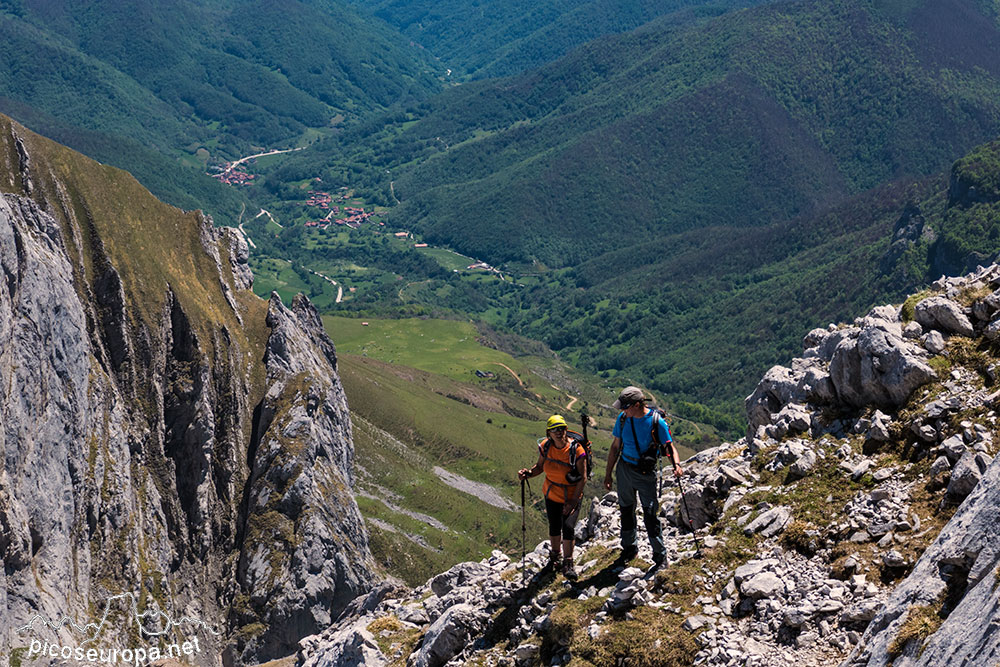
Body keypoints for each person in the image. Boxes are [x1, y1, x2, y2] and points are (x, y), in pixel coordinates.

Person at [602, 386, 682, 568]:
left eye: (626, 407)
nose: (623, 410)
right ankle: (629, 548)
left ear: (638, 404)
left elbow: (669, 447)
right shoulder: (623, 419)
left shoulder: (656, 422)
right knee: (626, 509)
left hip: (645, 474)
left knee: (650, 514)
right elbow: (615, 447)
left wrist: (676, 465)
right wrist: (608, 474)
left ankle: (660, 556)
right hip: (624, 469)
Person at [518, 414, 587, 580]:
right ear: (548, 433)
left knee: (568, 527)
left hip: (571, 496)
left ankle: (568, 563)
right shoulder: (545, 447)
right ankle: (555, 557)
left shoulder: (576, 450)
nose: (559, 432)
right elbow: (540, 467)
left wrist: (572, 502)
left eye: (562, 428)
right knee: (554, 526)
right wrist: (528, 474)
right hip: (551, 494)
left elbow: (582, 477)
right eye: (554, 430)